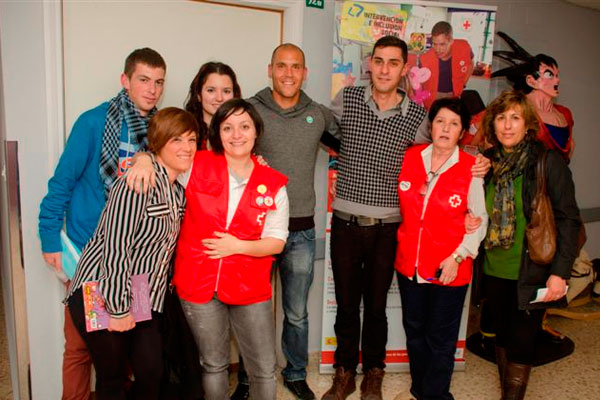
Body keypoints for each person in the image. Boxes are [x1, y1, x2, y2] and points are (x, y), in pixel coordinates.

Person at [324, 35, 489, 400]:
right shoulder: (346, 99)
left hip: (388, 228)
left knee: (378, 307)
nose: (384, 69)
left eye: (393, 62)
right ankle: (344, 371)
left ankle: (375, 373)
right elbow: (324, 134)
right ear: (369, 63)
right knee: (348, 306)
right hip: (347, 223)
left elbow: (441, 152)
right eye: (378, 61)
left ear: (404, 69)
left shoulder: (417, 115)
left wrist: (477, 164)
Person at [38, 47, 166, 400]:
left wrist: (146, 155)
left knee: (130, 347)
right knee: (83, 347)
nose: (152, 89)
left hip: (137, 266)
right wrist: (49, 236)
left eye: (158, 82)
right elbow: (62, 182)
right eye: (143, 79)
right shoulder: (93, 122)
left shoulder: (161, 131)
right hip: (90, 260)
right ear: (125, 81)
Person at [228, 42, 337, 400]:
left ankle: (293, 373)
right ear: (270, 69)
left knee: (296, 313)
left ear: (304, 73)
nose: (289, 73)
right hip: (254, 231)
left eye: (296, 67)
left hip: (301, 231)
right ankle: (248, 378)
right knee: (251, 312)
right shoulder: (252, 112)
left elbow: (353, 145)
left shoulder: (318, 115)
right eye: (282, 66)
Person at [64, 107, 198, 399]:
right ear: (158, 143)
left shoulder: (176, 191)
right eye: (176, 140)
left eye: (191, 140)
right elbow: (116, 247)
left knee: (150, 370)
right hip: (98, 288)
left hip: (138, 288)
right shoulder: (136, 183)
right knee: (112, 376)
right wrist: (118, 308)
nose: (186, 148)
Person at [172, 99, 289, 400]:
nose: (237, 134)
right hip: (198, 281)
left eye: (245, 126)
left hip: (249, 284)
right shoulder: (196, 163)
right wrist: (145, 160)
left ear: (256, 132)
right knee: (213, 365)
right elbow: (163, 163)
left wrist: (237, 246)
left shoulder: (273, 183)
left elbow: (277, 241)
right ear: (217, 133)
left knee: (263, 368)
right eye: (228, 127)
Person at [480, 90, 581, 399]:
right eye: (501, 118)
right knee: (501, 336)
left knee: (523, 342)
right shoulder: (486, 165)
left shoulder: (547, 162)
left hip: (533, 270)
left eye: (515, 118)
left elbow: (569, 220)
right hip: (493, 268)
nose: (508, 126)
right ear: (492, 125)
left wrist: (559, 273)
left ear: (528, 125)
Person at [393, 97, 487, 400]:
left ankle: (436, 395)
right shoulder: (411, 157)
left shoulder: (472, 167)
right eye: (440, 121)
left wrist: (458, 257)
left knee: (441, 340)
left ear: (462, 132)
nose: (446, 128)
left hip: (449, 268)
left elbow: (480, 220)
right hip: (410, 265)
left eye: (454, 123)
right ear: (430, 125)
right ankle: (421, 391)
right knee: (415, 334)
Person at [184, 61, 242, 149]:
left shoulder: (242, 133)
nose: (219, 98)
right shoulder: (183, 130)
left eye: (226, 91)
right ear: (198, 95)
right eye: (211, 90)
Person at [420, 21, 474, 110]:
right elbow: (420, 84)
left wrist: (463, 84)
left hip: (454, 95)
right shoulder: (425, 58)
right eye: (434, 44)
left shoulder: (464, 47)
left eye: (442, 44)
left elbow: (471, 64)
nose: (438, 49)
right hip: (434, 96)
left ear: (451, 41)